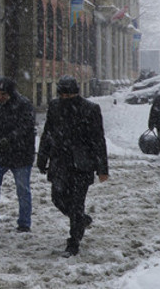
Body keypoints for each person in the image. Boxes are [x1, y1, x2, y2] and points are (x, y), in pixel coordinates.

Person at [37, 75, 109, 257]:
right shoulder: (54, 107)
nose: (65, 98)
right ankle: (81, 220)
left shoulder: (90, 109)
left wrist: (102, 169)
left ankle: (73, 241)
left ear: (76, 93)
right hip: (60, 162)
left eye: (69, 95)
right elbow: (48, 133)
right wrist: (42, 157)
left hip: (81, 164)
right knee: (57, 198)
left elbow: (98, 140)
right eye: (63, 95)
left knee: (77, 204)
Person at [0, 77, 36, 234]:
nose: (0, 97)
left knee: (23, 190)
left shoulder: (24, 105)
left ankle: (24, 224)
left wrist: (10, 139)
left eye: (3, 94)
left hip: (21, 155)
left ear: (10, 93)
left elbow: (27, 127)